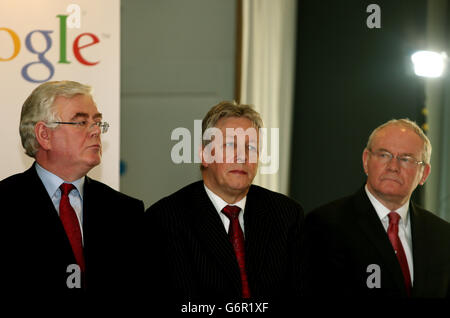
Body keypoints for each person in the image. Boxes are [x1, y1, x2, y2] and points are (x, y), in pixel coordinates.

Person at [144, 101, 304, 302]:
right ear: (204, 155)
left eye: (251, 147)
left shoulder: (286, 215)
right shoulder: (166, 219)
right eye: (230, 145)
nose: (242, 156)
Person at [0, 81, 144, 294]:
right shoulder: (5, 203)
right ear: (44, 135)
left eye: (98, 122)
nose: (96, 131)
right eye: (81, 122)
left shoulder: (126, 211)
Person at [301, 118, 450, 298]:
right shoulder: (324, 225)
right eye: (384, 155)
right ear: (366, 160)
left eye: (406, 159)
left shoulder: (443, 235)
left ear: (424, 174)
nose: (393, 167)